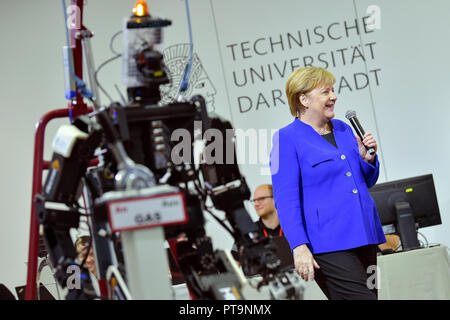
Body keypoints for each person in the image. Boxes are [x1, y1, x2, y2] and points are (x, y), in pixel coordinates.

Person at [270, 66, 386, 300]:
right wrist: (298, 246)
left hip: (365, 233)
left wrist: (367, 160)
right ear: (303, 99)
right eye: (325, 92)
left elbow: (365, 182)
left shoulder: (344, 129)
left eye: (333, 90)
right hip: (327, 243)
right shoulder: (285, 138)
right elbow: (285, 199)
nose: (333, 96)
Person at [231, 184, 293, 269]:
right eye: (254, 200)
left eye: (261, 199)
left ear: (276, 198)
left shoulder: (294, 227)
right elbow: (233, 265)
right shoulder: (247, 232)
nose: (256, 204)